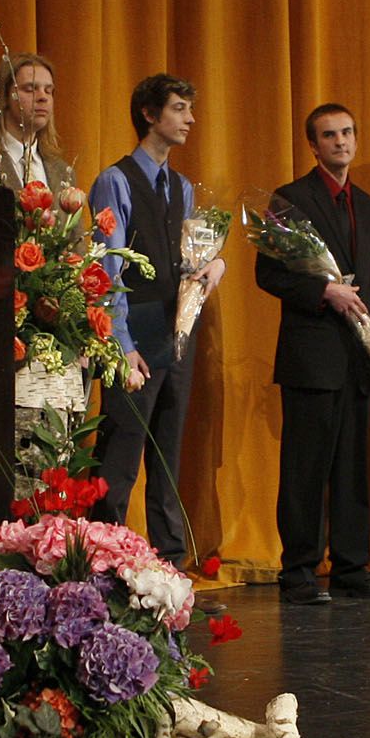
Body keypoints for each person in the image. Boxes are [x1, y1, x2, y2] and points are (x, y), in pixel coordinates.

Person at [254, 104, 370, 606]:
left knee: (353, 467)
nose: (341, 142)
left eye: (347, 133)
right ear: (313, 146)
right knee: (305, 469)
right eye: (329, 135)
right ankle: (298, 572)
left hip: (358, 357)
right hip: (312, 357)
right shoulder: (291, 199)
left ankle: (352, 567)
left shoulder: (369, 205)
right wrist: (324, 292)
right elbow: (268, 274)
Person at [88, 74, 226, 565]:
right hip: (134, 332)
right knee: (122, 452)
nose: (189, 118)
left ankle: (169, 564)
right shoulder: (116, 179)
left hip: (174, 331)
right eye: (179, 108)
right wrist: (122, 346)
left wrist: (212, 265)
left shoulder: (182, 187)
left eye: (190, 108)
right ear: (150, 114)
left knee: (167, 453)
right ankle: (104, 560)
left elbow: (183, 261)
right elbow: (107, 271)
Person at [0, 53, 74, 195]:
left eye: (48, 91)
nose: (43, 97)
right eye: (30, 89)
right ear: (4, 97)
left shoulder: (63, 172)